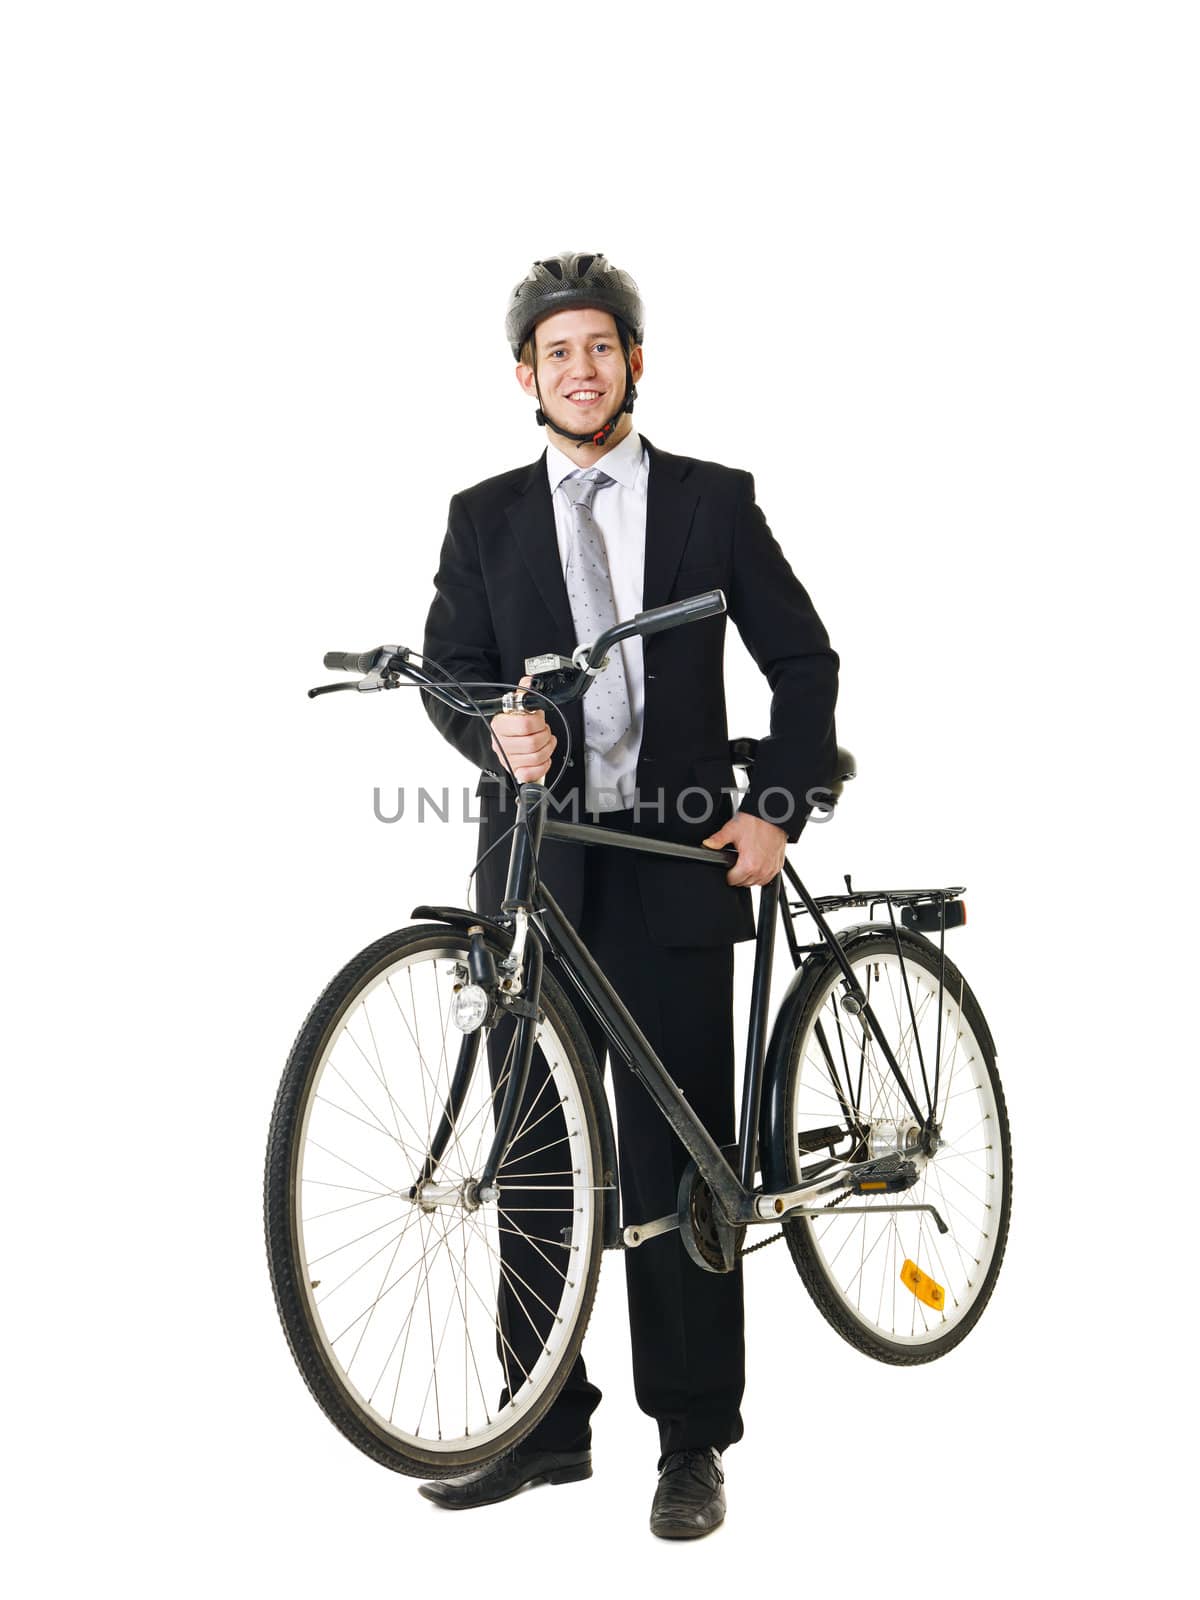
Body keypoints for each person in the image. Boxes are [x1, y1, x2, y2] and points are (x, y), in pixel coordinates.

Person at [417, 252, 839, 1537]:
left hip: (675, 867)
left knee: (677, 1157)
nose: (582, 368)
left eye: (602, 346)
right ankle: (541, 1424)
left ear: (634, 362)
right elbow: (452, 676)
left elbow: (804, 661)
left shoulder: (713, 500)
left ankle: (694, 1438)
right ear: (526, 376)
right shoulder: (483, 515)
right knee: (535, 1157)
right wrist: (497, 733)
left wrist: (775, 808)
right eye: (558, 352)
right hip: (537, 876)